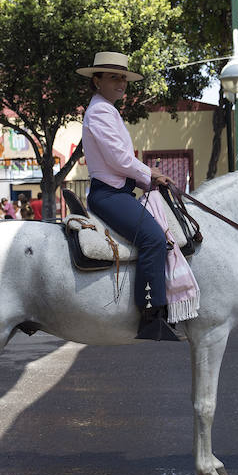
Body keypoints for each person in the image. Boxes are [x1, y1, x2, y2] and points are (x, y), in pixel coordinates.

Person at [77, 51, 177, 341]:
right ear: (97, 81)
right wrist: (151, 175)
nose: (121, 83)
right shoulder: (100, 111)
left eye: (123, 77)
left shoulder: (107, 109)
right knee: (154, 239)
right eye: (113, 77)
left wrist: (148, 177)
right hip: (109, 194)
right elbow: (120, 160)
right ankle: (151, 316)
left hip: (118, 191)